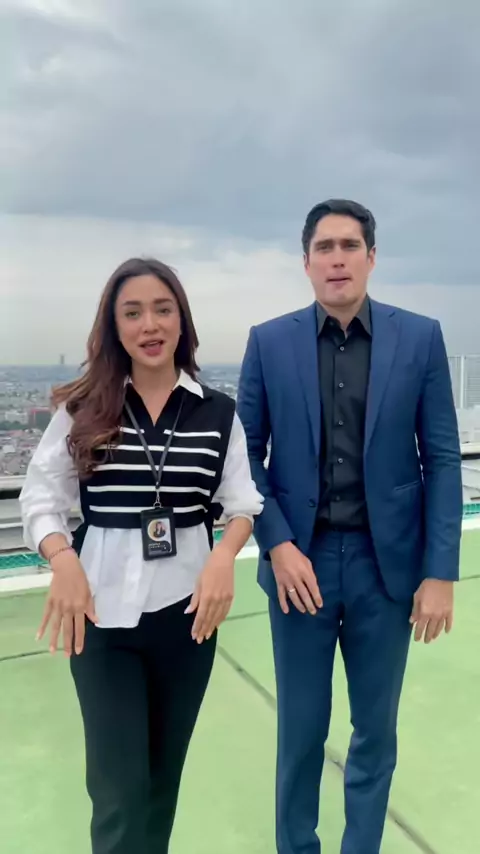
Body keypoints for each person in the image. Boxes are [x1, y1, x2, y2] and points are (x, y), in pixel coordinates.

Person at [236, 199, 462, 854]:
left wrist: (439, 572)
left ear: (371, 257)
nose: (337, 259)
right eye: (324, 247)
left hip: (385, 568)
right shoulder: (268, 342)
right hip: (298, 566)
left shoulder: (418, 337)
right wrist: (277, 543)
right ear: (306, 262)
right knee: (302, 731)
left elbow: (442, 458)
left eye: (350, 246)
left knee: (375, 731)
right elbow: (244, 455)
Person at [20, 257, 263, 854]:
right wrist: (63, 560)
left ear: (182, 320)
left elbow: (242, 503)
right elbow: (40, 497)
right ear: (114, 326)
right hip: (101, 621)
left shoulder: (217, 412)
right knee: (119, 791)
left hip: (188, 622)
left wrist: (223, 556)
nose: (149, 324)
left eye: (162, 309)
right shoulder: (84, 407)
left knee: (159, 784)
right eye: (132, 313)